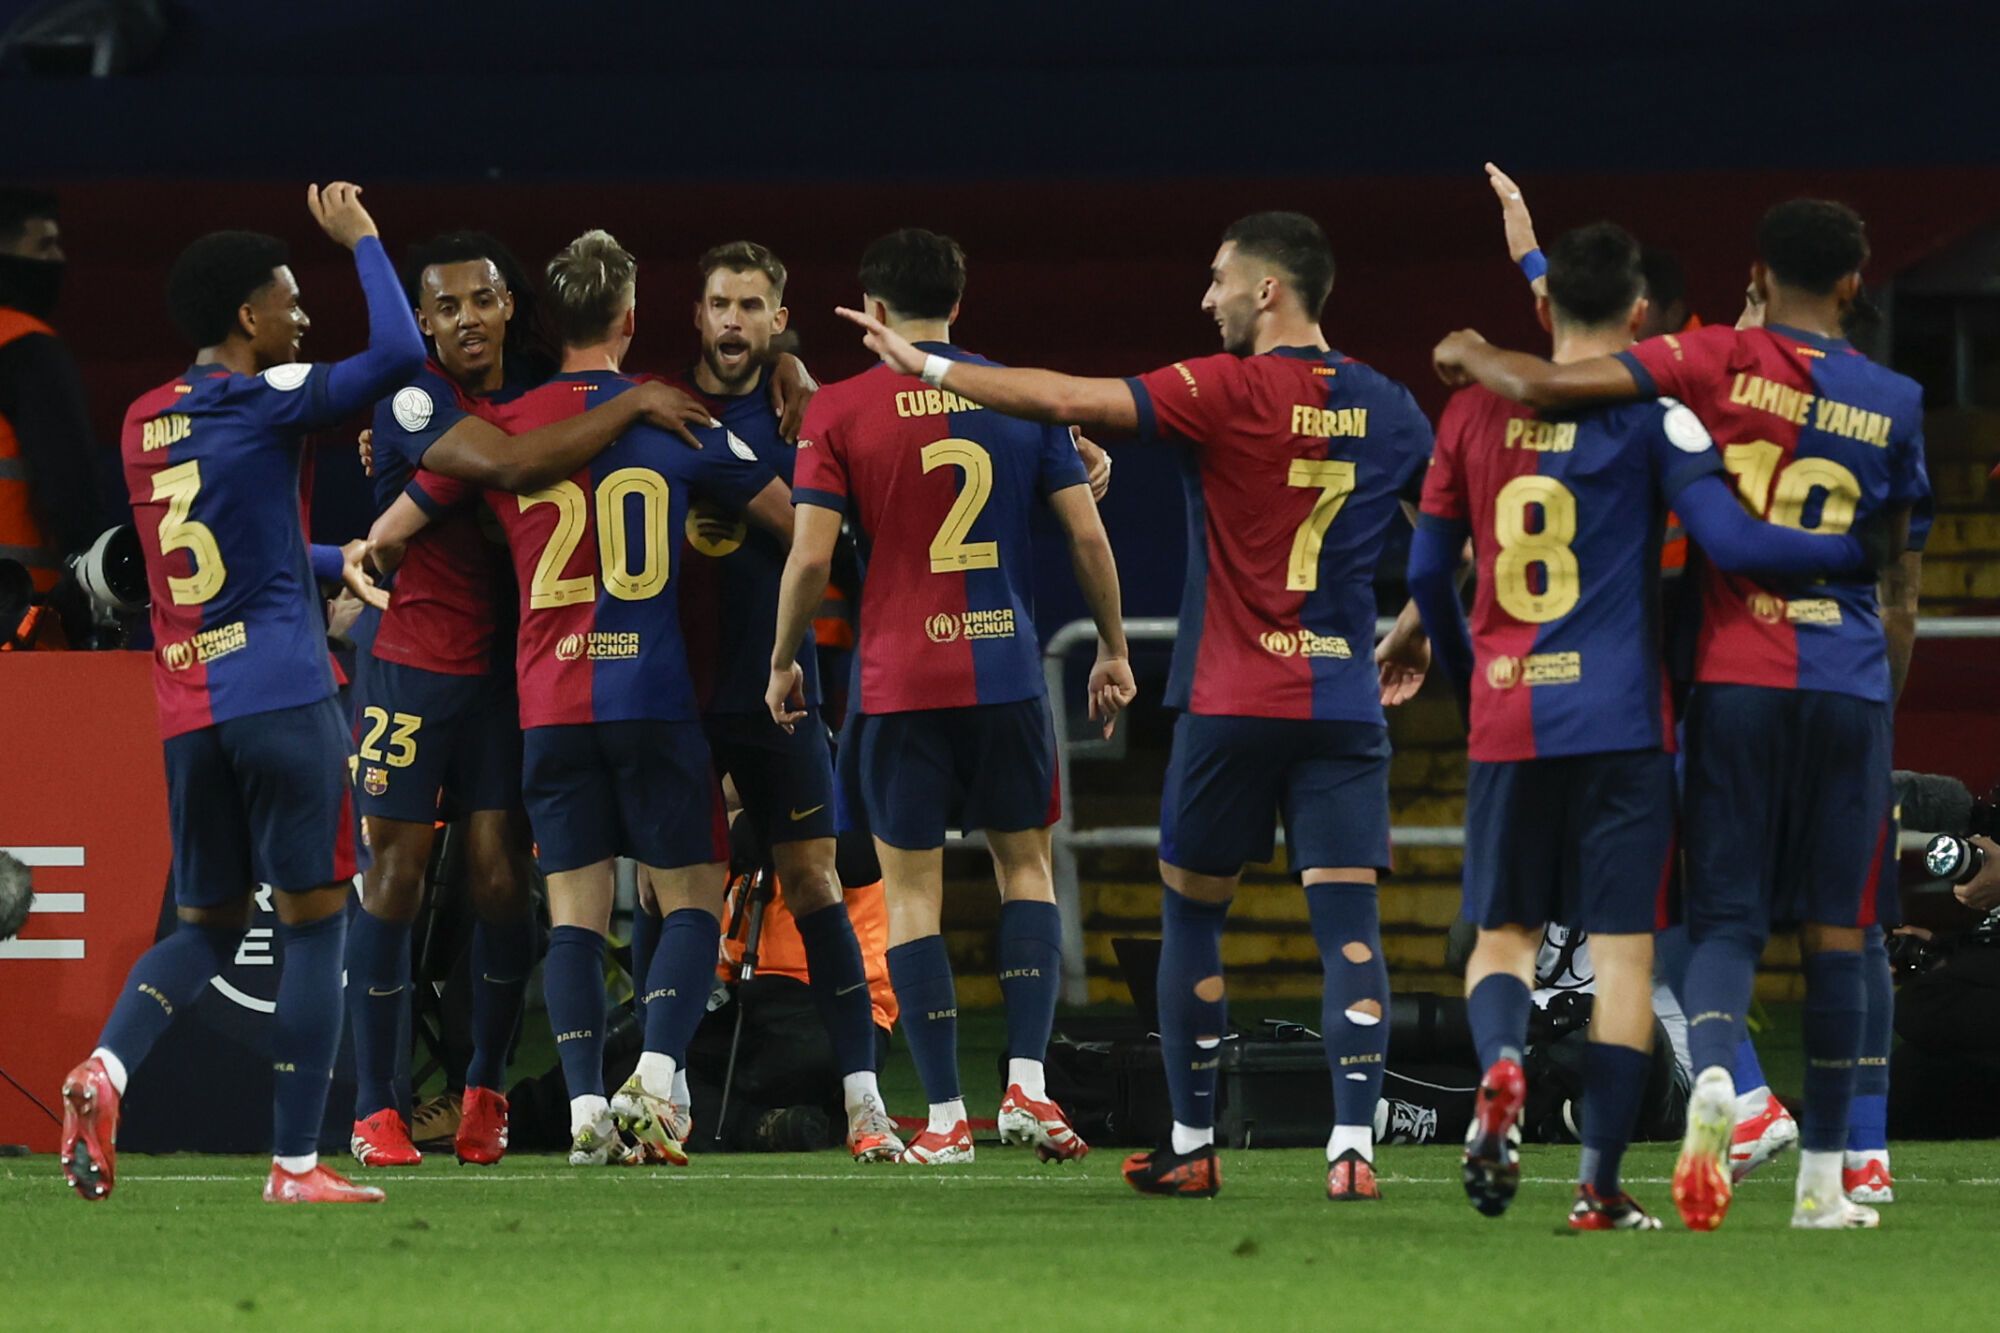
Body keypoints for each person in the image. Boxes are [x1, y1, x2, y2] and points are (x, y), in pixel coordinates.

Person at [836, 212, 1434, 1201]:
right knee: (1350, 925)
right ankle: (1350, 1147)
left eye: (1217, 281)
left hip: (1233, 700)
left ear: (1267, 291)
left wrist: (930, 370)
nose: (1207, 299)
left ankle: (1191, 1142)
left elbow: (1066, 397)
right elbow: (1457, 533)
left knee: (1193, 919)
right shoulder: (1390, 407)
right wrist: (1412, 628)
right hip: (1339, 699)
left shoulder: (1221, 388)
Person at [1434, 197, 1930, 1231]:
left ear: (1754, 271)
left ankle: (1704, 1080)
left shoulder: (1694, 366)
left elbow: (1552, 370)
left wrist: (1473, 339)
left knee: (1680, 924)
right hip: (1789, 685)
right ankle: (1830, 1170)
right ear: (1852, 280)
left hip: (1652, 689)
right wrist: (1856, 588)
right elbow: (1867, 574)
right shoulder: (1881, 399)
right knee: (1832, 935)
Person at [375, 229, 792, 1167]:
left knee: (573, 911)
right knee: (689, 896)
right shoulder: (674, 420)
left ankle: (583, 1115)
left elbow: (394, 529)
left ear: (540, 317)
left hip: (547, 702)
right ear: (634, 318)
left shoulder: (502, 428)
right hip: (651, 692)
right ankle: (653, 1074)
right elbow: (802, 524)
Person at [59, 182, 425, 1205]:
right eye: (289, 300)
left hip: (189, 709)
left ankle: (106, 1069)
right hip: (283, 691)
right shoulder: (268, 398)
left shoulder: (143, 422)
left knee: (205, 926)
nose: (302, 317)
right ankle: (297, 1165)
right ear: (245, 317)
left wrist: (323, 554)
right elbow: (400, 360)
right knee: (316, 926)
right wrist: (362, 241)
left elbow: (215, 530)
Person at [771, 227, 1133, 1166]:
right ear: (959, 307)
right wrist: (1113, 646)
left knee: (913, 894)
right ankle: (1028, 1086)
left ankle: (942, 1118)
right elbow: (1089, 542)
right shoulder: (1020, 399)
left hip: (898, 686)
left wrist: (782, 659)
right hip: (1006, 672)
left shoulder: (840, 411)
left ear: (875, 311)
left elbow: (811, 554)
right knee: (1027, 870)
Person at [658, 240, 901, 1161]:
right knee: (669, 890)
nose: (732, 321)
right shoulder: (658, 409)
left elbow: (879, 510)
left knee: (814, 881)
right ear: (697, 313)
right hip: (675, 692)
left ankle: (865, 1102)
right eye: (719, 303)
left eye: (752, 307)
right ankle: (667, 1092)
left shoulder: (816, 413)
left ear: (777, 316)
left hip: (782, 693)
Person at [0, 186, 104, 637]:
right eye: (44, 245)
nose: (57, 259)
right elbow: (71, 487)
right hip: (21, 620)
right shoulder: (27, 348)